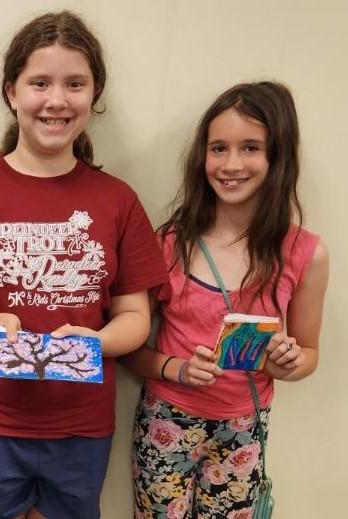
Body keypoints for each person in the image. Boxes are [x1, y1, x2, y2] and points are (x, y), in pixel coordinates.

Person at [0, 11, 168, 519]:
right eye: (40, 83)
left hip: (80, 427)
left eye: (75, 84)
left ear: (94, 96)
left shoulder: (118, 200)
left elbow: (136, 319)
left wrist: (95, 341)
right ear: (12, 92)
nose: (57, 100)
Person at [120, 81, 329, 518]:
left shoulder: (305, 252)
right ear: (202, 156)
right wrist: (175, 367)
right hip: (167, 419)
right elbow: (127, 348)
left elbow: (309, 353)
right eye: (218, 148)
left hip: (245, 425)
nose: (231, 164)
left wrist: (290, 362)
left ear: (279, 157)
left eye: (251, 147)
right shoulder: (170, 244)